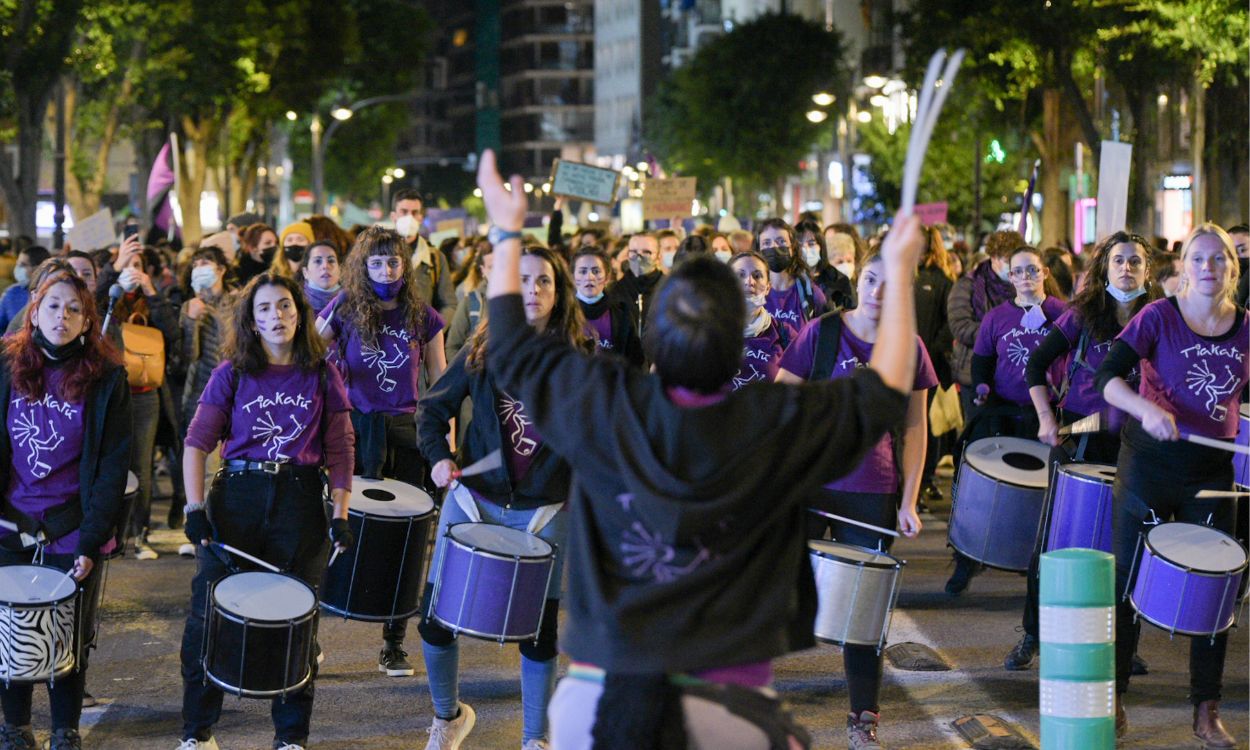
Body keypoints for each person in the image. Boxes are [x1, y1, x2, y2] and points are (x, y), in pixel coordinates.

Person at [472, 149, 921, 749]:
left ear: (655, 335)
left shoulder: (604, 400)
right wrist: (899, 274)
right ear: (735, 343)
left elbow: (511, 349)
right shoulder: (775, 421)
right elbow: (887, 389)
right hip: (729, 707)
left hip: (598, 698)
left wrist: (507, 230)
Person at [415, 242, 584, 750]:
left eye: (544, 281)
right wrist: (437, 457)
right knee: (434, 622)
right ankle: (449, 716)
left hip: (545, 509)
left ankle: (536, 738)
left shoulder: (581, 357)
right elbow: (431, 409)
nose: (532, 290)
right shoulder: (482, 347)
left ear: (558, 292)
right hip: (474, 500)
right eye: (523, 281)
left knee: (538, 633)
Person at [176, 274, 355, 750]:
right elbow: (196, 444)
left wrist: (341, 512)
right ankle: (198, 733)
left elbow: (340, 449)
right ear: (251, 321)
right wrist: (195, 509)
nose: (277, 317)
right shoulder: (232, 372)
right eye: (265, 309)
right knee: (208, 618)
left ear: (299, 313)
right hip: (237, 498)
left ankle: (291, 738)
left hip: (299, 501)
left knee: (297, 623)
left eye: (285, 307)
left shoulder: (322, 372)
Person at [1094, 224, 1247, 748]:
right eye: (1197, 259)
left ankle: (1206, 712)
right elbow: (1107, 378)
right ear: (1182, 268)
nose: (1208, 268)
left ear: (1233, 268)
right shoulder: (1157, 315)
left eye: (1218, 260)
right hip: (1149, 464)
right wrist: (1145, 408)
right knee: (1125, 586)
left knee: (1217, 592)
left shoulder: (1247, 327)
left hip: (1210, 474)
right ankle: (1113, 699)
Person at [775, 244, 932, 749]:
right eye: (869, 279)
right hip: (808, 483)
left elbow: (916, 429)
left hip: (872, 489)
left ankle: (862, 719)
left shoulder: (908, 347)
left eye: (890, 284)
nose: (877, 292)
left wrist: (908, 500)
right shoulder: (819, 333)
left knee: (864, 618)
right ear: (857, 280)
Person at [1002, 232, 1158, 672]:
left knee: (1129, 548)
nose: (1126, 269)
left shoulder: (1161, 317)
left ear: (1148, 270)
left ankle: (1123, 642)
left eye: (1135, 262)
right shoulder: (1083, 315)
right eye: (1118, 261)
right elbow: (1035, 365)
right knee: (1053, 540)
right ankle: (1033, 633)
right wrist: (1046, 418)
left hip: (1136, 444)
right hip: (1081, 439)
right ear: (1105, 268)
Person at [0, 272, 131, 750]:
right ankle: (14, 726)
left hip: (74, 524)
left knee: (69, 636)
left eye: (74, 308)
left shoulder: (107, 376)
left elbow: (114, 465)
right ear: (35, 310)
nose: (62, 316)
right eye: (53, 306)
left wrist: (92, 538)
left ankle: (64, 729)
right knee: (10, 631)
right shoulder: (5, 364)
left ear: (87, 320)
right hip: (11, 522)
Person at [316, 226, 447, 676]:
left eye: (393, 262)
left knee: (405, 541)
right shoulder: (345, 308)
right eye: (376, 262)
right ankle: (309, 636)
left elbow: (440, 383)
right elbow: (308, 355)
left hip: (407, 434)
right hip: (355, 433)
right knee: (335, 533)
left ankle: (393, 642)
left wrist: (442, 446)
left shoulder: (423, 316)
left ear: (404, 265)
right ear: (362, 266)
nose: (386, 270)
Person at [96, 235, 180, 560]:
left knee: (141, 467)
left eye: (137, 266)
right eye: (126, 266)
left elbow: (173, 333)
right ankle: (111, 533)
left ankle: (139, 534)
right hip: (110, 395)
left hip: (145, 397)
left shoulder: (152, 302)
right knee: (111, 464)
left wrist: (151, 292)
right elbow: (91, 305)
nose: (132, 271)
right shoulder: (108, 300)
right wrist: (113, 273)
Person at [915, 227, 957, 507]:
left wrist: (928, 350)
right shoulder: (897, 275)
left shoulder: (941, 280)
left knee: (920, 422)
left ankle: (924, 479)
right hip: (897, 363)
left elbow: (949, 322)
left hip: (926, 364)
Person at [729, 252, 795, 389]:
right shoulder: (710, 332)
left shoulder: (785, 333)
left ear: (768, 288)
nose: (750, 282)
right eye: (740, 275)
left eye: (757, 276)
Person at [391, 189, 457, 321]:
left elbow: (449, 304)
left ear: (420, 218)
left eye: (414, 213)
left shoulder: (435, 258)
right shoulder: (376, 255)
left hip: (424, 338)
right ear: (393, 216)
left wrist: (433, 333)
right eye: (404, 212)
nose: (409, 217)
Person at [572, 247, 643, 367]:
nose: (589, 277)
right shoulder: (562, 313)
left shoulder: (622, 313)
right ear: (573, 277)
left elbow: (635, 359)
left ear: (607, 276)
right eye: (582, 271)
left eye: (596, 271)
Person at [754, 218, 827, 329]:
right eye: (766, 243)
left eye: (781, 241)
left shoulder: (811, 294)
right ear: (758, 250)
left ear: (792, 248)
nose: (774, 247)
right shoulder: (752, 293)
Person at [609, 233, 665, 339]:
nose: (639, 257)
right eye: (634, 252)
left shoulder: (670, 289)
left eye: (646, 252)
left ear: (658, 257)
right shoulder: (615, 291)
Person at [445, 242, 493, 359]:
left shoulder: (524, 300)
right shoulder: (471, 303)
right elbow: (453, 346)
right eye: (492, 267)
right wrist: (466, 374)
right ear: (483, 271)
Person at [796, 219, 854, 311]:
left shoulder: (838, 280)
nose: (805, 249)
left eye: (811, 244)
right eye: (799, 246)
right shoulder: (790, 280)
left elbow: (850, 312)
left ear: (821, 246)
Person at [0, 246, 51, 331]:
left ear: (38, 268)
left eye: (22, 265)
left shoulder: (54, 293)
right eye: (17, 264)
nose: (17, 268)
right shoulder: (11, 293)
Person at [298, 239, 342, 314]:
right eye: (318, 261)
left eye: (331, 261)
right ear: (305, 272)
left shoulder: (354, 301)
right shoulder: (296, 303)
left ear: (340, 270)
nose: (325, 266)